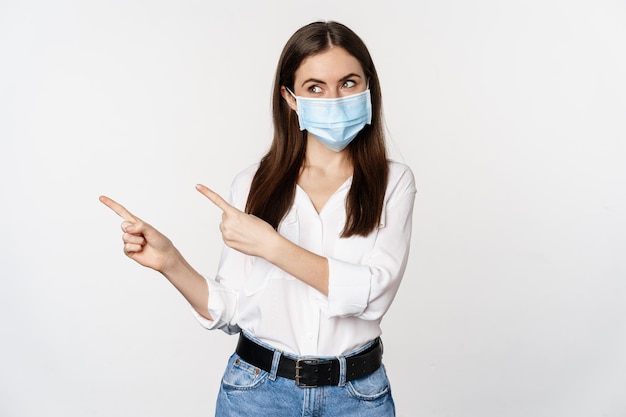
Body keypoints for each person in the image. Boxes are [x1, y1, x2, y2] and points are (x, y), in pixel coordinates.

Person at [100, 20, 416, 417]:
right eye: (315, 87)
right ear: (290, 98)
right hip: (256, 393)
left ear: (369, 87)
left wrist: (272, 246)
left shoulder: (394, 183)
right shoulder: (253, 183)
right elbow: (231, 308)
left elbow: (372, 296)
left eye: (348, 83)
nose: (334, 99)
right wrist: (170, 262)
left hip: (356, 397)